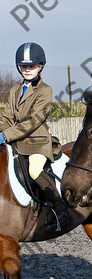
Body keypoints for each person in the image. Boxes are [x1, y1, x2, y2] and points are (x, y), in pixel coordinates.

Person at [0, 42, 70, 231]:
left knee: (34, 170)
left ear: (40, 67)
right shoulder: (15, 90)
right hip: (15, 141)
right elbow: (7, 117)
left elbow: (33, 121)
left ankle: (61, 210)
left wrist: (5, 134)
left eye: (31, 66)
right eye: (24, 67)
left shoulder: (44, 91)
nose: (27, 70)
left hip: (36, 143)